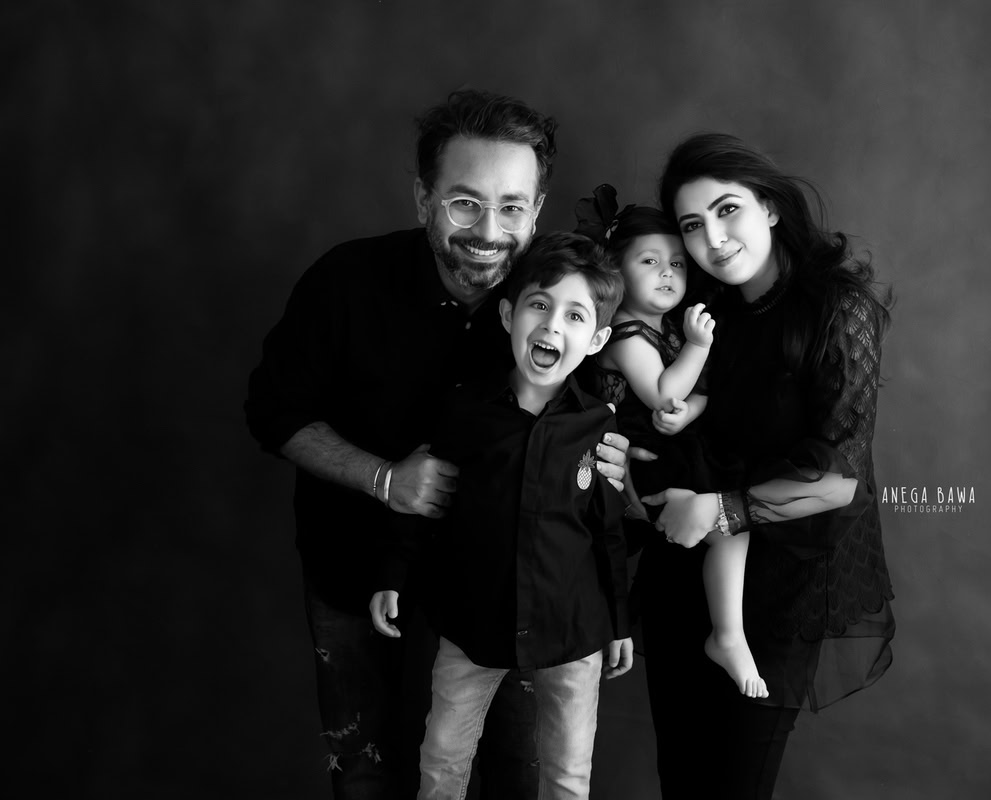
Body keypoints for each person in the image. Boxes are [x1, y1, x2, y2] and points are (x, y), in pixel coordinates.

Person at [244, 90, 631, 800]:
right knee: (368, 770)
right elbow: (272, 412)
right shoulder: (345, 284)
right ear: (423, 197)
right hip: (357, 559)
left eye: (512, 206)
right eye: (464, 203)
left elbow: (628, 387)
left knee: (519, 773)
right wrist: (383, 479)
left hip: (510, 589)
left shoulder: (550, 300)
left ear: (537, 211)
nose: (488, 230)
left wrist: (616, 460)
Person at [637, 133, 896, 799]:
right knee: (683, 780)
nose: (713, 240)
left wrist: (722, 510)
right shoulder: (704, 310)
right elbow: (658, 402)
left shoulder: (837, 311)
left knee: (733, 786)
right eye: (693, 226)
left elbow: (839, 478)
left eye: (728, 211)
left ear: (772, 208)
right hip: (684, 573)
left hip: (779, 588)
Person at [370, 232, 632, 800]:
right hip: (471, 621)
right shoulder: (465, 410)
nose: (552, 327)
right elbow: (426, 503)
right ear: (510, 314)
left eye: (575, 316)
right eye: (539, 305)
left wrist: (618, 620)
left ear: (597, 340)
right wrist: (394, 575)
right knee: (442, 759)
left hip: (573, 628)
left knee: (566, 774)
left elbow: (607, 532)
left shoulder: (598, 429)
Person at [576, 188, 768, 699]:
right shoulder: (624, 333)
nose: (667, 272)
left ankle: (727, 633)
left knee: (733, 528)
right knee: (731, 530)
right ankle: (727, 635)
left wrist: (692, 407)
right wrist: (699, 347)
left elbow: (696, 398)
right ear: (616, 271)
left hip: (676, 452)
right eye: (650, 261)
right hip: (645, 463)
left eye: (677, 264)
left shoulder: (665, 331)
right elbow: (663, 394)